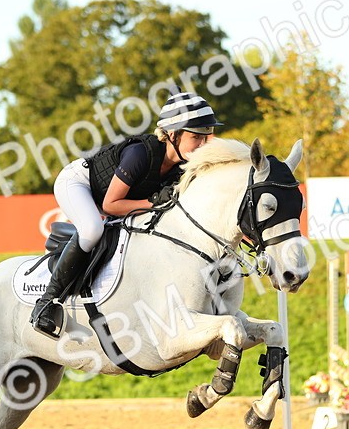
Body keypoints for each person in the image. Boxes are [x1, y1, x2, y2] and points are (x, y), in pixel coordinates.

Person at [30, 91, 223, 337]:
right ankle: (47, 302)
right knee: (92, 230)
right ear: (172, 135)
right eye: (197, 137)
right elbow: (111, 205)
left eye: (208, 137)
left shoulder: (183, 166)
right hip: (80, 184)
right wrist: (153, 202)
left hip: (117, 198)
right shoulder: (140, 154)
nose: (204, 144)